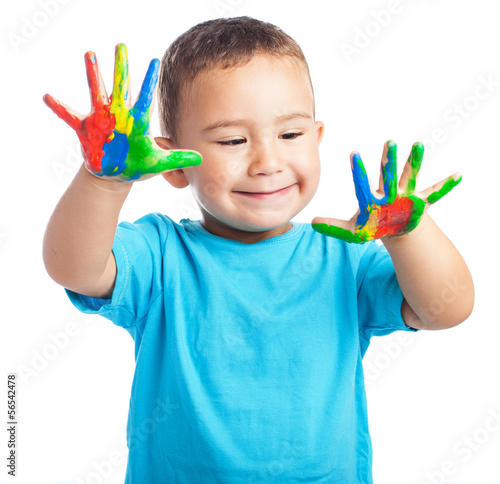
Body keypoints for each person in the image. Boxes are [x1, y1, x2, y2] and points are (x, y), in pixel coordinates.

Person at [42, 16, 474, 484]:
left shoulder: (344, 257)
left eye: (291, 135)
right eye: (232, 140)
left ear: (317, 138)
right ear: (173, 161)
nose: (268, 162)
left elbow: (447, 308)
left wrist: (407, 233)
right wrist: (102, 181)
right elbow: (75, 267)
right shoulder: (160, 255)